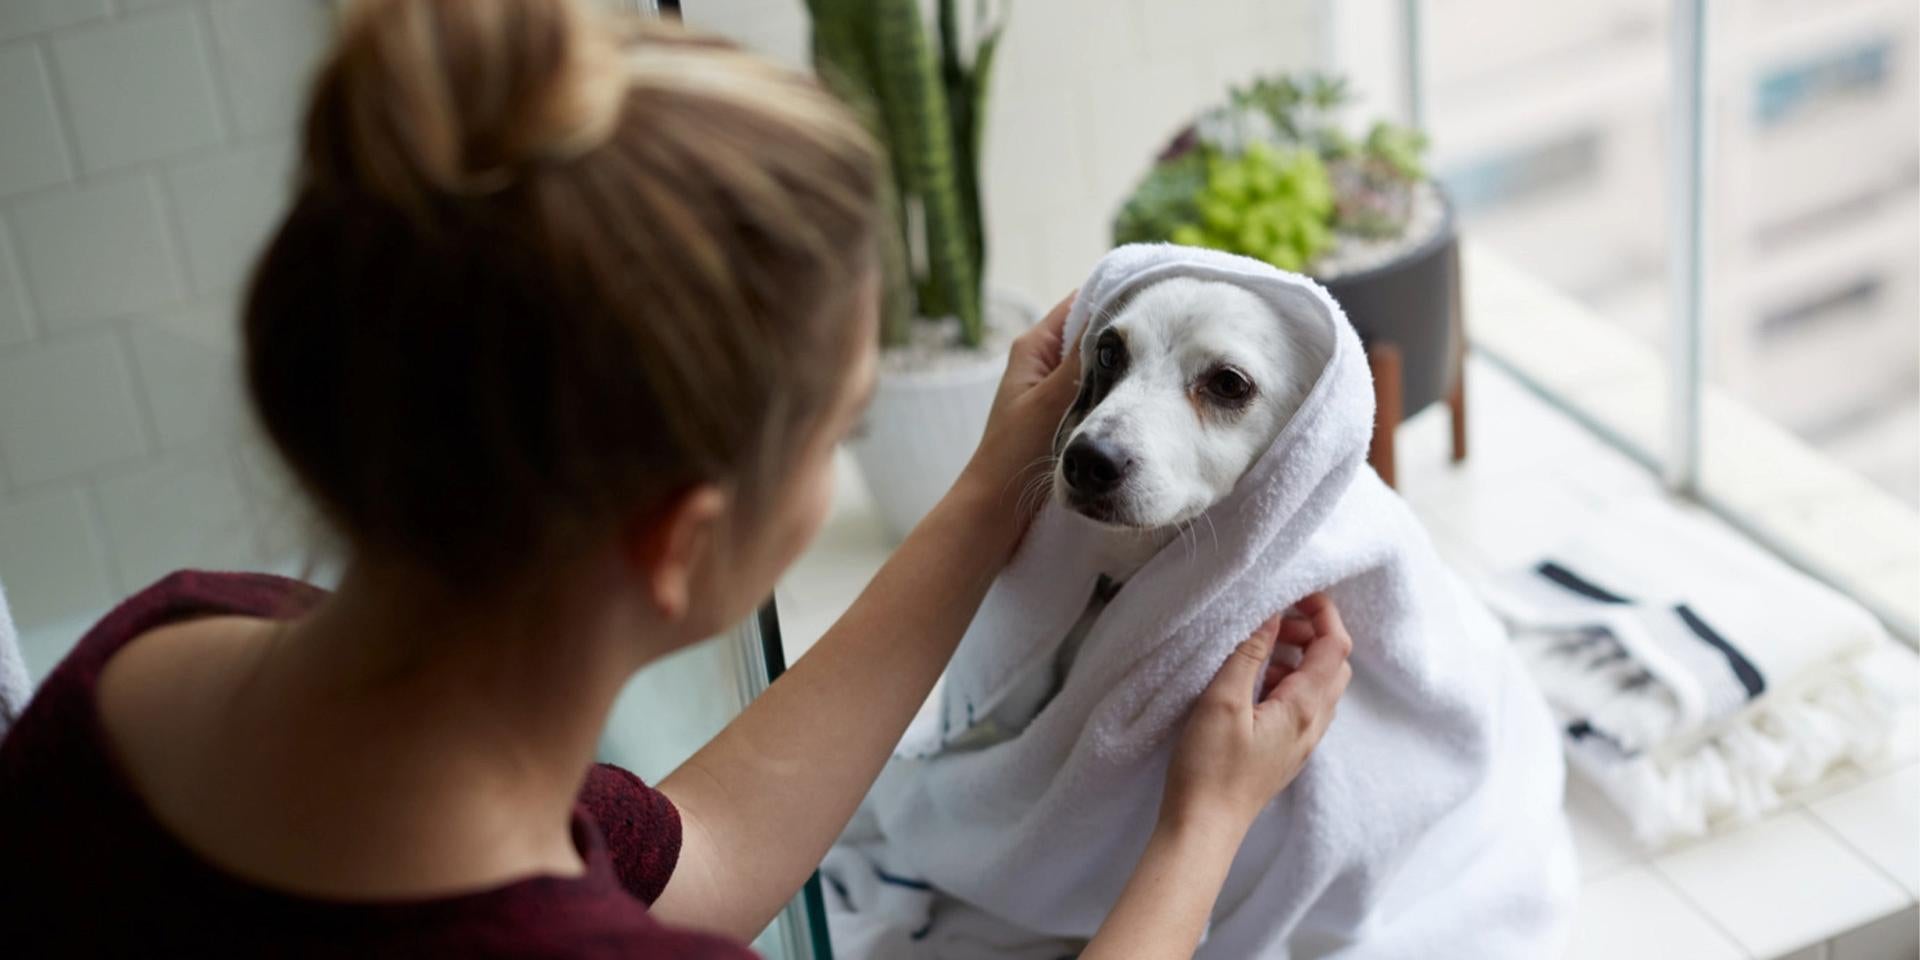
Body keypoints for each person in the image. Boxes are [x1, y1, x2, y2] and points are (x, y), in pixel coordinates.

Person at [0, 0, 1353, 955]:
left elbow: (682, 857)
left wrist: (993, 487)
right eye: (836, 433)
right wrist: (1199, 828)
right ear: (679, 542)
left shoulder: (162, 646)